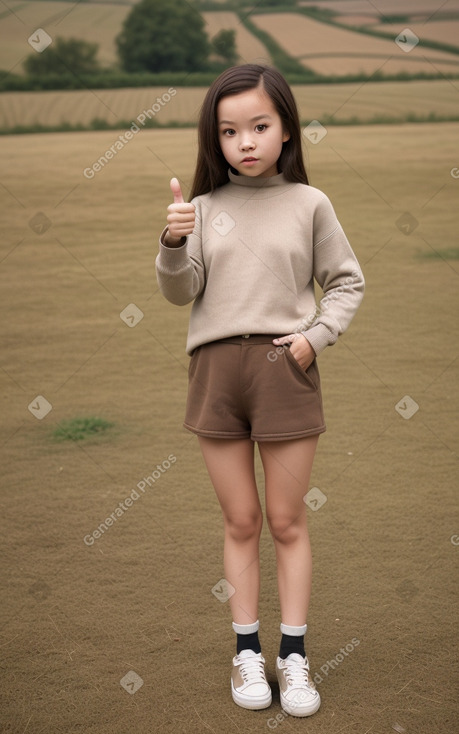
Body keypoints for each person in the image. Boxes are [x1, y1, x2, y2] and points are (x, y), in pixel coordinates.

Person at [155, 63, 364, 717]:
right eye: (228, 131)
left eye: (258, 126)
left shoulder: (310, 203)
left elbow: (347, 281)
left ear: (285, 130)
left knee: (286, 520)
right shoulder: (202, 209)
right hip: (215, 375)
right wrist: (170, 242)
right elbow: (178, 291)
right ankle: (246, 651)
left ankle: (293, 658)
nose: (244, 142)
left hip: (285, 370)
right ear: (213, 140)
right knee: (240, 521)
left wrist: (313, 338)